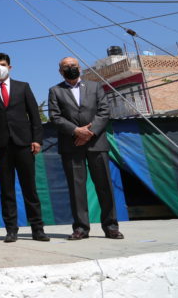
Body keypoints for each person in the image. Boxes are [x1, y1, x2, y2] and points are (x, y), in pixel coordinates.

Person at [48, 56, 123, 240]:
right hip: (71, 146)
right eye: (66, 66)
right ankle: (81, 228)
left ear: (79, 68)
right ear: (60, 71)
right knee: (77, 189)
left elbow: (104, 111)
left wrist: (89, 133)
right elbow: (55, 117)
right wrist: (76, 131)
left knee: (104, 185)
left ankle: (111, 226)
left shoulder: (95, 86)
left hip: (96, 144)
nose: (70, 68)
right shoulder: (55, 91)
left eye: (73, 65)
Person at [0, 53, 50, 243]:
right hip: (0, 147)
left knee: (30, 189)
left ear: (10, 67)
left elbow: (35, 115)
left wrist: (37, 140)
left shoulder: (23, 87)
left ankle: (38, 229)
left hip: (24, 144)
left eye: (2, 64)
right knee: (6, 190)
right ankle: (11, 230)